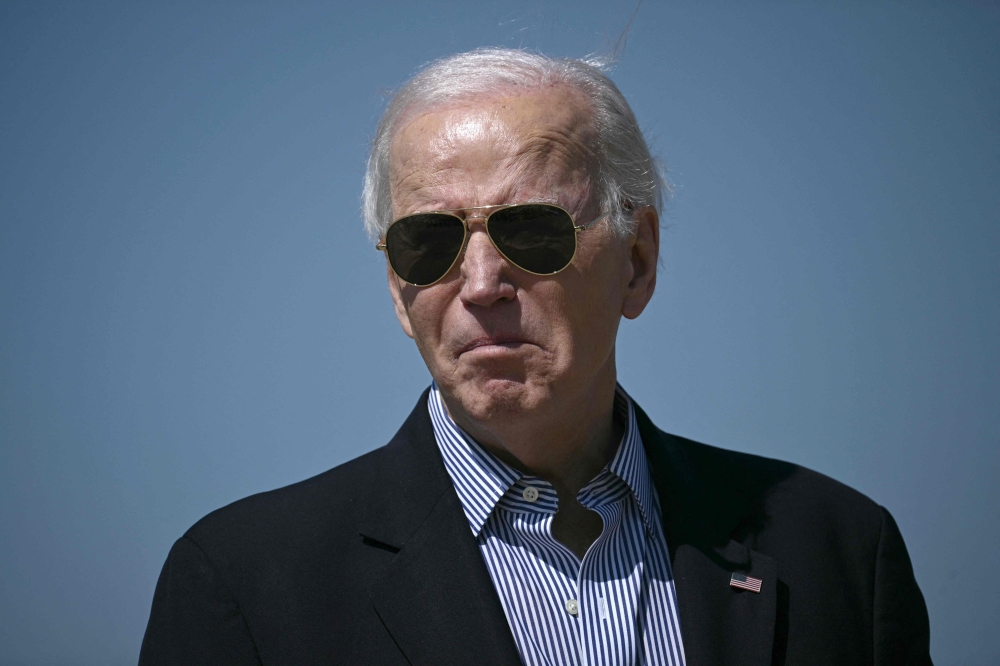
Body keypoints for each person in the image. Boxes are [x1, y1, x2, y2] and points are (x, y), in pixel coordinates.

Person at [138, 49, 932, 666]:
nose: (480, 282)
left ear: (639, 259)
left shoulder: (838, 553)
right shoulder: (245, 583)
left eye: (533, 231)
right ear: (395, 289)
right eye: (430, 242)